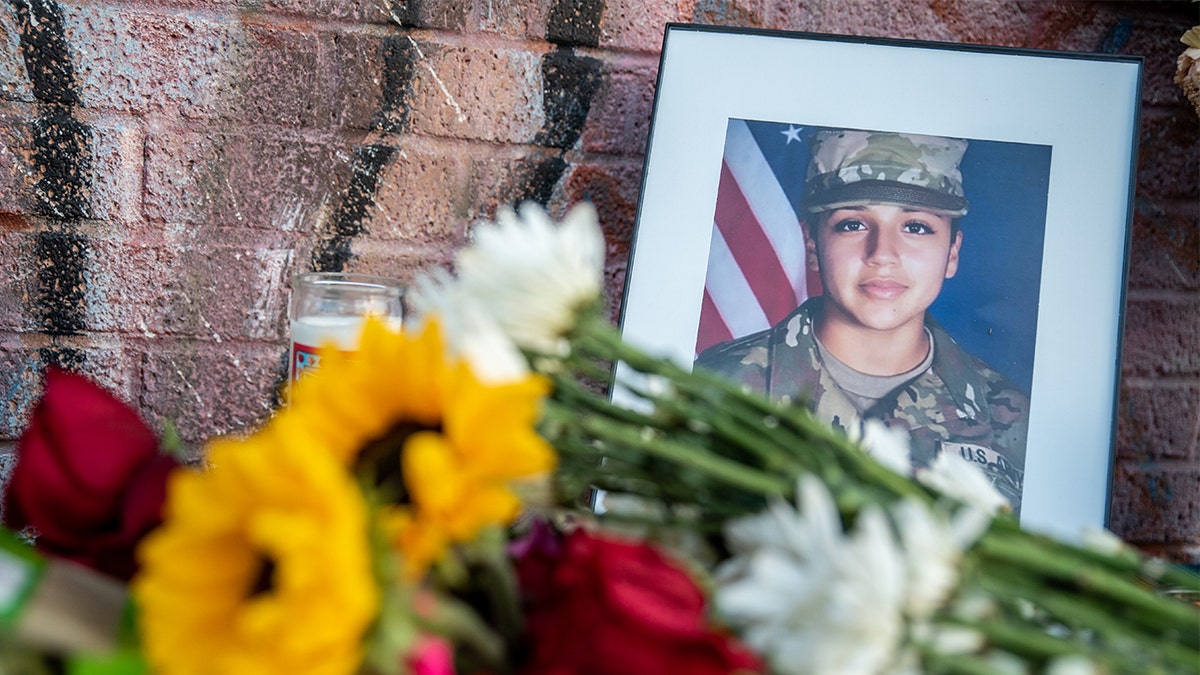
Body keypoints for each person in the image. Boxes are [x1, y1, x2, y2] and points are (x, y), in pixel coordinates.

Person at [695, 129, 1029, 512]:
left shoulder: (1013, 417)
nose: (883, 254)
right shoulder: (714, 386)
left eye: (916, 226)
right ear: (812, 245)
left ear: (952, 252)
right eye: (852, 224)